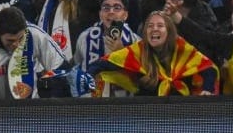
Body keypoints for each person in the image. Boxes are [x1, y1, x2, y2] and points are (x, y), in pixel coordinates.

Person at [88, 10, 219, 95]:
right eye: (150, 26)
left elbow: (208, 69)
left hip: (181, 115)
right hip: (146, 116)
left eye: (160, 26)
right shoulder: (137, 51)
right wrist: (87, 80)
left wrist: (207, 89)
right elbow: (101, 64)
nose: (154, 29)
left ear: (169, 32)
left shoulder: (182, 49)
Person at [0, 6, 67, 99]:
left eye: (20, 38)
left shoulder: (34, 34)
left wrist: (45, 89)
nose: (16, 44)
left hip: (32, 108)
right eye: (10, 40)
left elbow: (61, 68)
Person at [73, 0, 141, 97]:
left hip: (124, 105)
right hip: (90, 105)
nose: (111, 12)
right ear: (100, 14)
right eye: (106, 8)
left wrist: (122, 53)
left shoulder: (136, 41)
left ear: (125, 15)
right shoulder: (85, 37)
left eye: (117, 8)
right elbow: (76, 67)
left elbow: (141, 76)